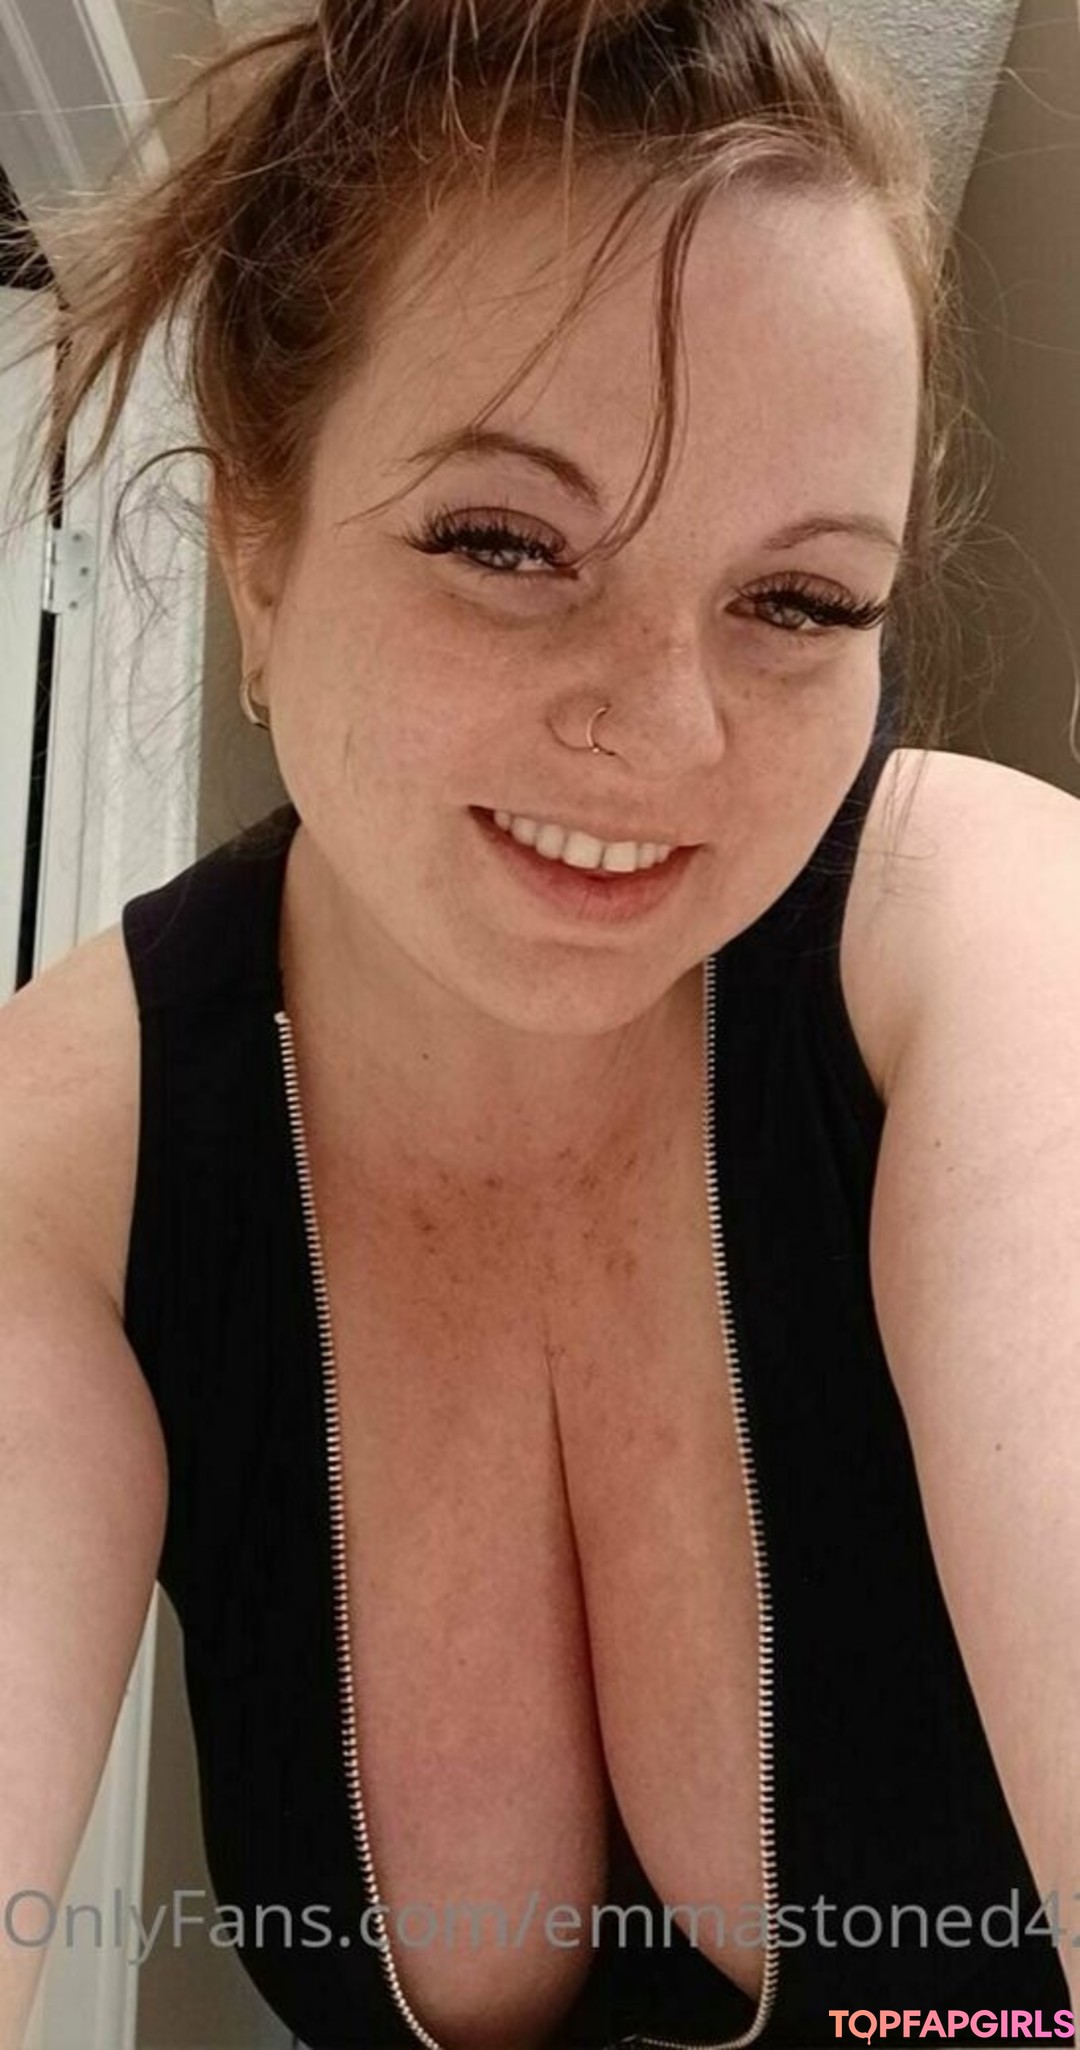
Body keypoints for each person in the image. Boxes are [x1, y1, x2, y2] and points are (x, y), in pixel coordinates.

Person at [1, 2, 1078, 2047]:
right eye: (507, 544)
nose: (669, 738)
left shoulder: (992, 952)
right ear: (256, 540)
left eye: (798, 602)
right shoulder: (68, 1162)